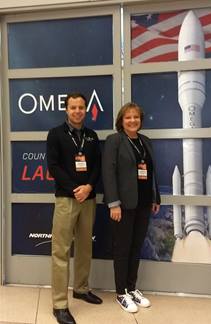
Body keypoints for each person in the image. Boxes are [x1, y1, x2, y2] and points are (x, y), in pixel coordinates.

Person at [47, 93, 102, 324]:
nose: (77, 111)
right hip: (67, 199)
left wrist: (88, 187)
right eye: (73, 107)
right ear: (66, 110)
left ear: (85, 110)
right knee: (60, 251)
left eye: (81, 107)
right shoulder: (56, 134)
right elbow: (54, 166)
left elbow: (97, 165)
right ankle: (59, 304)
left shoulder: (91, 136)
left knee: (84, 246)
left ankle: (80, 288)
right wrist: (75, 189)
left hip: (88, 199)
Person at [102, 102, 160, 313]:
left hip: (143, 204)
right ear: (121, 120)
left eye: (136, 117)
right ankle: (121, 293)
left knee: (136, 248)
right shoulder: (114, 141)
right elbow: (108, 173)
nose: (133, 121)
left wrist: (155, 198)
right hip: (123, 206)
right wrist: (113, 203)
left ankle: (132, 288)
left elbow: (151, 172)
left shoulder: (145, 142)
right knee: (122, 248)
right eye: (128, 117)